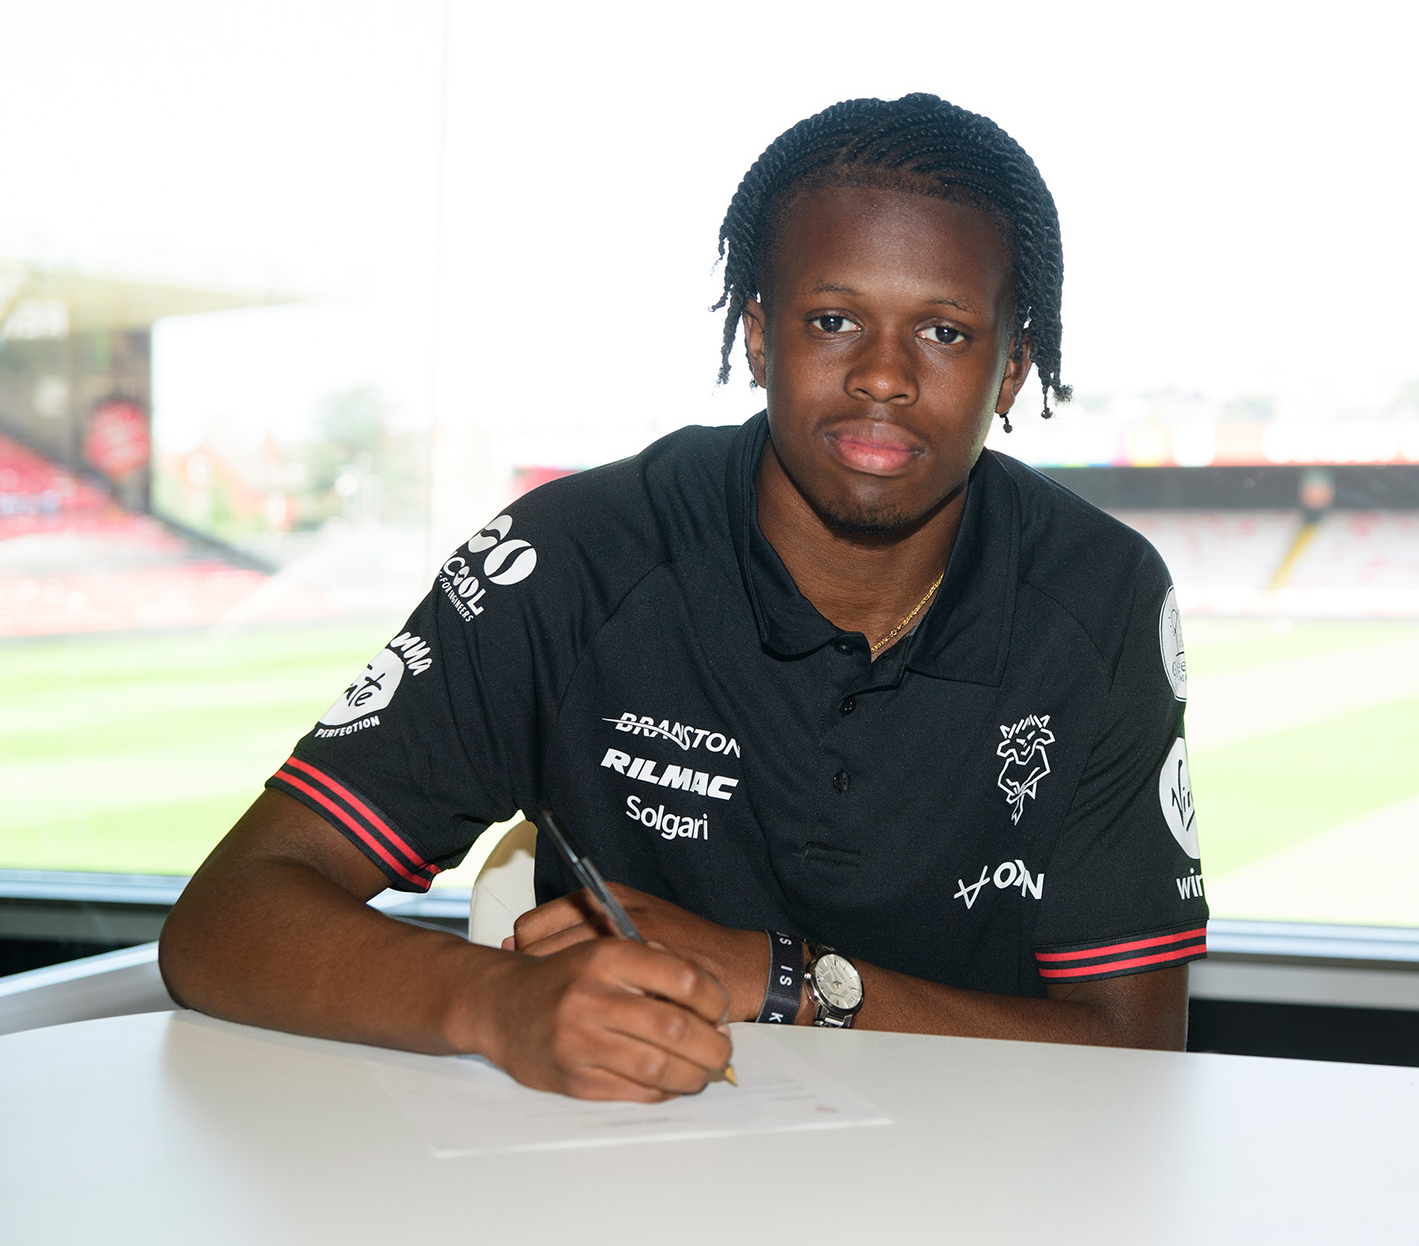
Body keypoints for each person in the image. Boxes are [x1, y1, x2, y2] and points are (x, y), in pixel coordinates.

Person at [159, 93, 1208, 1103]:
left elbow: (1135, 1046)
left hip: (980, 1180)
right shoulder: (576, 556)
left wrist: (784, 979)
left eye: (943, 332)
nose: (882, 375)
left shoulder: (1100, 593)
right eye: (833, 318)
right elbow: (223, 917)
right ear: (758, 336)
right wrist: (498, 1004)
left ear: (1013, 368)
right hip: (627, 1161)